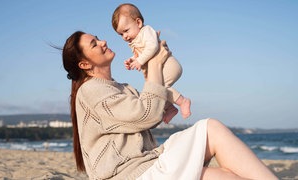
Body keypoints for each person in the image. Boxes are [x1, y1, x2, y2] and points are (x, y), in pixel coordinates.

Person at [62, 31, 277, 179]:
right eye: (94, 44)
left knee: (219, 160)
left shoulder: (120, 87)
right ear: (84, 64)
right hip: (132, 175)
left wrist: (157, 65)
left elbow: (155, 104)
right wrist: (154, 63)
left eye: (98, 38)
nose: (103, 42)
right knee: (211, 130)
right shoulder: (90, 91)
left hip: (149, 164)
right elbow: (147, 113)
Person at [112, 3, 191, 123]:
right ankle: (169, 108)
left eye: (126, 31)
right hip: (160, 68)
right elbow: (142, 53)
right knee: (156, 90)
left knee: (160, 87)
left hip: (169, 65)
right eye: (121, 34)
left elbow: (152, 47)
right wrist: (133, 59)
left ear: (138, 23)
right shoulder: (135, 40)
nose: (125, 36)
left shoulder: (146, 31)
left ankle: (183, 101)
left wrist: (140, 61)